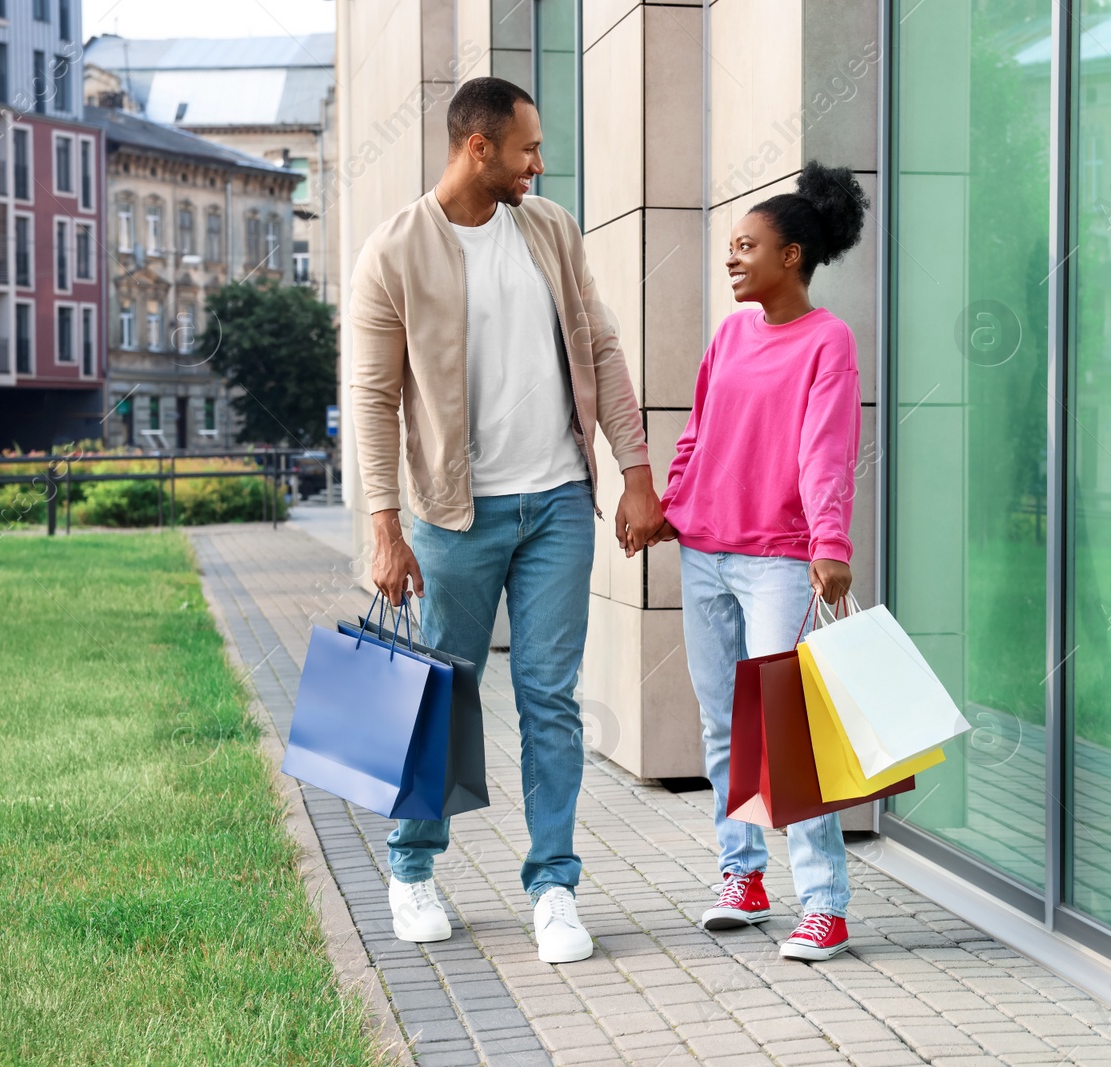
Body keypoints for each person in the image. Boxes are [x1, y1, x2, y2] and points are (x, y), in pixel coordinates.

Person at [349, 77, 664, 963]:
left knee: (549, 699)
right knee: (438, 694)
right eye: (527, 147)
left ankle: (554, 886)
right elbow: (372, 398)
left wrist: (636, 471)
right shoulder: (395, 251)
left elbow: (600, 342)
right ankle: (411, 868)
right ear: (476, 148)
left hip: (559, 499)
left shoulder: (550, 229)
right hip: (454, 515)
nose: (539, 161)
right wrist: (384, 526)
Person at [649, 162, 867, 962]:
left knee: (786, 727)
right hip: (706, 551)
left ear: (794, 256)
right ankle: (741, 874)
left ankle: (825, 902)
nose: (733, 259)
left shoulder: (827, 340)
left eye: (749, 246)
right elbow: (698, 431)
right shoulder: (731, 334)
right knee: (721, 723)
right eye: (730, 247)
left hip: (780, 559)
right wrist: (672, 507)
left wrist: (830, 542)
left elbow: (826, 452)